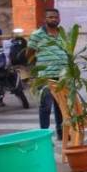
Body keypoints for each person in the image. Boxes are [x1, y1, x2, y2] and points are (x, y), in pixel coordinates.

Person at [28, 9, 66, 140]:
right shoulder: (37, 35)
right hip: (45, 76)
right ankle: (44, 136)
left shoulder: (62, 34)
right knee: (45, 107)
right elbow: (29, 53)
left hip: (62, 76)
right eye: (50, 17)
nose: (54, 19)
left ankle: (61, 133)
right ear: (45, 19)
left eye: (56, 17)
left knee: (61, 106)